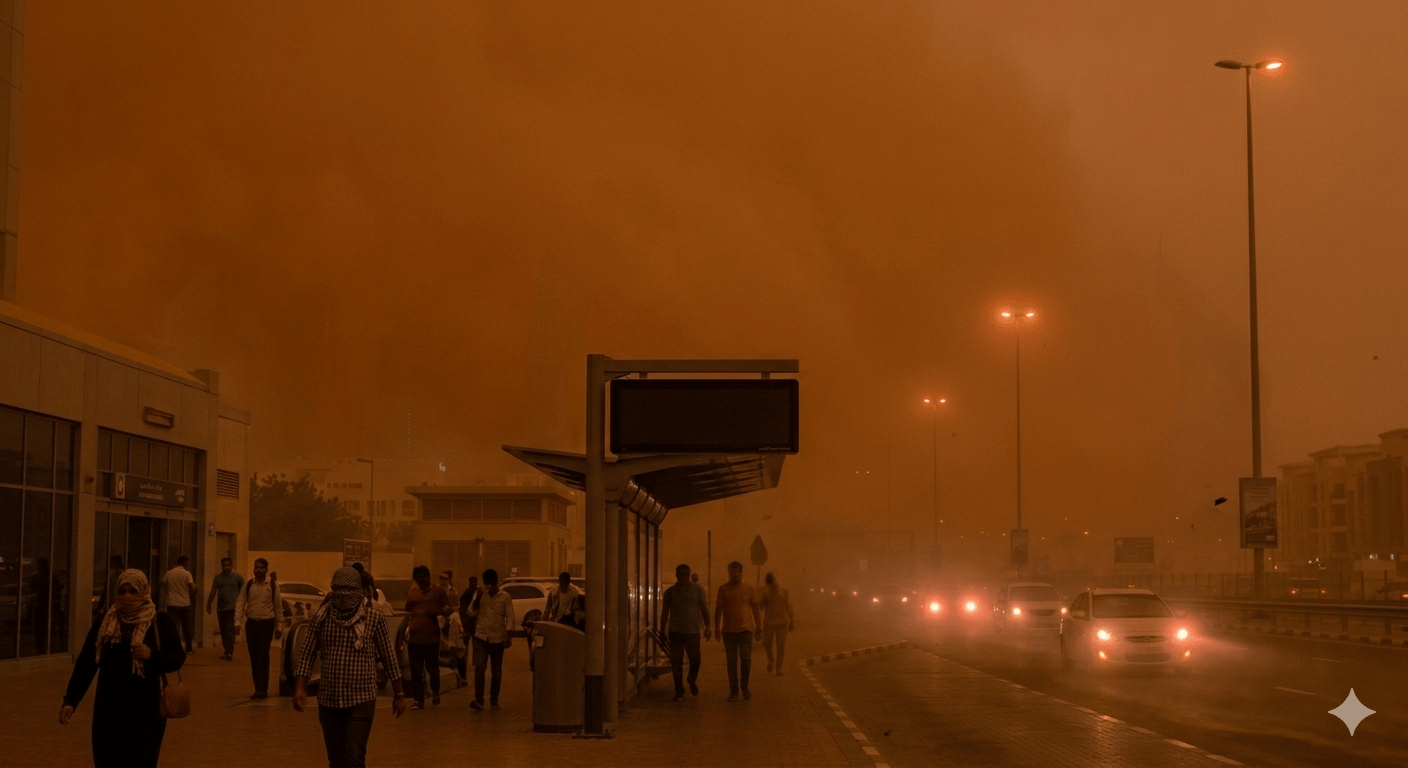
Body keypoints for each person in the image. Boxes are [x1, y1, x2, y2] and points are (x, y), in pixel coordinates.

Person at [59, 569, 186, 768]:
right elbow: (87, 663)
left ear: (144, 591)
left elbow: (177, 658)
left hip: (146, 712)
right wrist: (71, 700)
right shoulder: (105, 622)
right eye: (122, 591)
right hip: (109, 710)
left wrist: (151, 655)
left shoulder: (158, 620)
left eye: (133, 591)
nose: (127, 596)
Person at [294, 566, 406, 768]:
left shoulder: (373, 619)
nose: (343, 594)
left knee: (354, 757)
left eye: (349, 589)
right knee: (335, 759)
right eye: (338, 589)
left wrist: (399, 694)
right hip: (329, 699)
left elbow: (389, 657)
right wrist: (300, 687)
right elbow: (307, 652)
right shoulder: (322, 618)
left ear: (359, 590)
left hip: (361, 698)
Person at [658, 564, 711, 701]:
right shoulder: (670, 592)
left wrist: (708, 626)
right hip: (675, 632)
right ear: (677, 576)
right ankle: (679, 691)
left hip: (692, 632)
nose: (684, 577)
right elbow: (665, 612)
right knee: (676, 662)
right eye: (682, 574)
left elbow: (704, 609)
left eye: (687, 574)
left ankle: (691, 679)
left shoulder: (697, 590)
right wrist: (662, 630)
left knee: (695, 659)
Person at [403, 565, 452, 709]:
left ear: (428, 577)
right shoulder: (412, 592)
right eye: (417, 577)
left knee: (432, 668)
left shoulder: (438, 590)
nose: (420, 580)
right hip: (414, 637)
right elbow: (407, 609)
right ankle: (418, 700)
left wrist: (438, 611)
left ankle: (435, 692)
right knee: (415, 670)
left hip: (432, 637)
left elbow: (448, 608)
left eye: (423, 577)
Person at [712, 561, 762, 702]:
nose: (733, 575)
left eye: (735, 572)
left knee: (746, 659)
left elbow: (755, 609)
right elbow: (718, 609)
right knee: (731, 661)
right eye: (730, 573)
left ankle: (744, 686)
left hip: (746, 630)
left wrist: (759, 626)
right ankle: (734, 691)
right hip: (729, 631)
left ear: (741, 572)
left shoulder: (749, 589)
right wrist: (716, 627)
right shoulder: (723, 589)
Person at [466, 568, 515, 711]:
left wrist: (509, 636)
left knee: (496, 671)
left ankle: (494, 700)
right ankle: (479, 699)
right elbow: (471, 612)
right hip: (481, 636)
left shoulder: (505, 597)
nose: (488, 587)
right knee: (479, 668)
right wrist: (478, 598)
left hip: (497, 638)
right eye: (486, 583)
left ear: (495, 583)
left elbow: (510, 617)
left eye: (490, 584)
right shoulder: (480, 594)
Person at [234, 557, 282, 700]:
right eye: (256, 567)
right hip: (252, 624)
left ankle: (263, 689)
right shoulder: (249, 584)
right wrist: (237, 622)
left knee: (263, 654)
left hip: (267, 624)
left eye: (261, 567)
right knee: (254, 657)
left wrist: (279, 625)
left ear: (266, 569)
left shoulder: (272, 585)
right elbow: (240, 602)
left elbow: (278, 607)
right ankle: (258, 689)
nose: (258, 570)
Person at [205, 557, 244, 660]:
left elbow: (244, 591)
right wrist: (209, 604)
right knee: (223, 630)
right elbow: (213, 591)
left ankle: (229, 651)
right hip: (221, 608)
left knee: (230, 629)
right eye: (224, 565)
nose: (226, 567)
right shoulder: (218, 578)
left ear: (231, 565)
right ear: (222, 566)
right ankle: (226, 650)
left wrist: (243, 605)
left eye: (228, 565)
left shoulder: (237, 577)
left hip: (233, 608)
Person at [759, 572, 795, 674]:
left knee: (781, 645)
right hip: (769, 622)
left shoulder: (784, 592)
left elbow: (789, 606)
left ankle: (779, 667)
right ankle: (771, 660)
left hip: (782, 622)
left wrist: (792, 620)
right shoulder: (766, 593)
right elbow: (760, 607)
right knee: (767, 643)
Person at [161, 556, 198, 654]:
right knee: (186, 627)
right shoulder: (187, 574)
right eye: (188, 564)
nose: (188, 566)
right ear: (185, 564)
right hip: (184, 604)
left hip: (172, 603)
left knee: (172, 627)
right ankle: (189, 649)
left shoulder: (169, 573)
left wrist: (167, 594)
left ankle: (172, 648)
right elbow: (192, 588)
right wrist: (195, 587)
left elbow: (163, 584)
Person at [455, 575, 480, 684]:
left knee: (468, 644)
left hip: (469, 623)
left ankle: (469, 660)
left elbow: (462, 608)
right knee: (473, 643)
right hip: (471, 623)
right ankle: (474, 660)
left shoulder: (469, 593)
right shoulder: (474, 593)